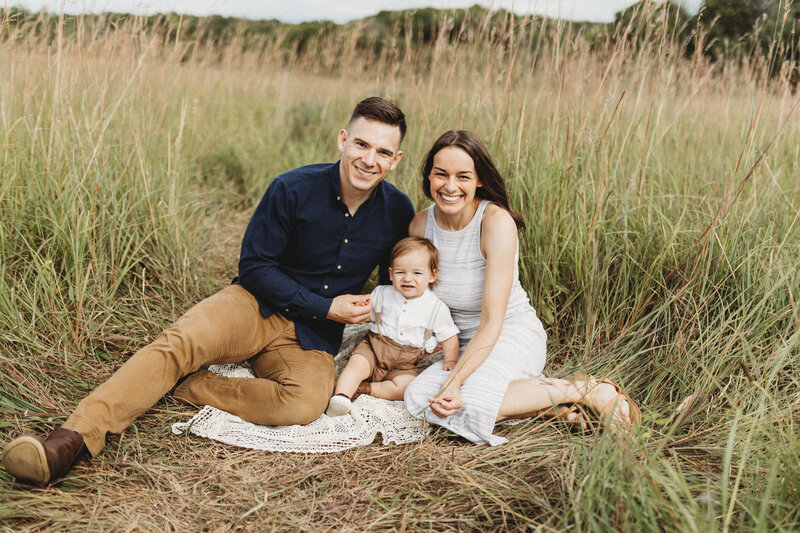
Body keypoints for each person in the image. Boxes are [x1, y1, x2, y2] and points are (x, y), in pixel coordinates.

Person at [2, 96, 416, 485]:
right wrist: (326, 306)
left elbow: (389, 284)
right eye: (362, 144)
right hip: (257, 305)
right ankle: (69, 441)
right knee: (181, 342)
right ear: (343, 140)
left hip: (311, 336)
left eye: (383, 152)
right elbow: (254, 267)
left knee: (304, 405)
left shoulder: (398, 210)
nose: (369, 159)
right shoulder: (292, 188)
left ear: (395, 160)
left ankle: (189, 385)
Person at [403, 130, 640, 445]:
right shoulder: (420, 226)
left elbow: (492, 322)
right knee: (418, 397)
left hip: (507, 333)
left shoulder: (495, 222)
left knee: (466, 400)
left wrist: (455, 381)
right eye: (440, 174)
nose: (450, 186)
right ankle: (550, 410)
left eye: (463, 176)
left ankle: (586, 390)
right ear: (428, 177)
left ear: (480, 181)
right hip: (457, 343)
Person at [325, 236, 459, 417]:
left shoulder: (436, 307)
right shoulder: (381, 293)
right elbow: (366, 314)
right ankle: (341, 397)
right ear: (390, 273)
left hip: (405, 362)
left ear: (432, 275)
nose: (407, 278)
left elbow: (449, 337)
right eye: (400, 272)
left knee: (405, 388)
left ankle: (367, 389)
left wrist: (450, 361)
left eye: (417, 273)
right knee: (355, 365)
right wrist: (361, 307)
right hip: (374, 347)